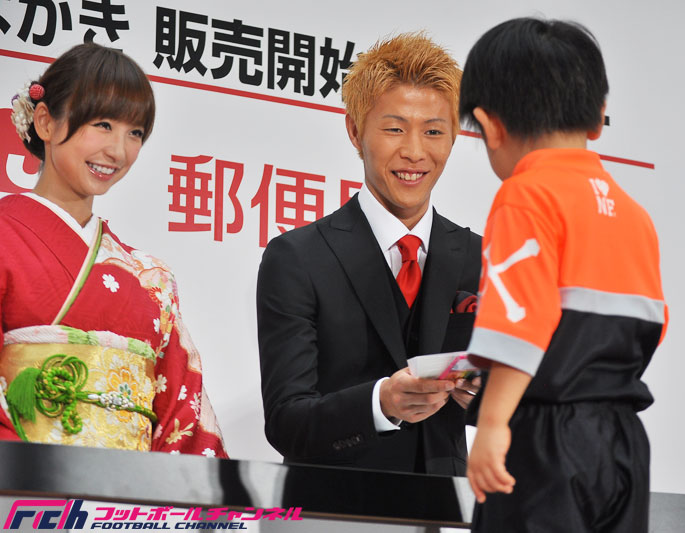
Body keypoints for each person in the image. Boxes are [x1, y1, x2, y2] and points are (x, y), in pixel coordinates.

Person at [459, 18, 668, 532]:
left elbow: (519, 324)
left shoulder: (526, 194)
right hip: (623, 442)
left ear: (490, 126)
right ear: (598, 118)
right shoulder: (634, 213)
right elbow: (655, 325)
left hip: (544, 439)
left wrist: (492, 423)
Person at [257, 33, 482, 475]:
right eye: (395, 129)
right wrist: (381, 403)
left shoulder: (482, 257)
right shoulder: (297, 258)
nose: (414, 152)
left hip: (445, 505)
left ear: (454, 137)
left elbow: (518, 407)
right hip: (330, 504)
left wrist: (486, 397)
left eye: (434, 131)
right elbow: (286, 421)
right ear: (355, 131)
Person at [0, 43, 226, 457]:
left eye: (135, 133)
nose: (118, 151)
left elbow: (183, 417)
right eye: (102, 124)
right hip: (22, 485)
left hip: (129, 492)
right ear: (45, 122)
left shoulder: (151, 277)